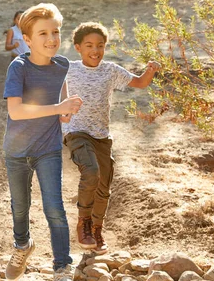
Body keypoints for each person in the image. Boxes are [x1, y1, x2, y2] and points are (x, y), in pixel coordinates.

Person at [2, 3, 83, 281]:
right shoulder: (18, 67)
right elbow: (17, 110)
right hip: (17, 152)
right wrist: (58, 108)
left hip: (48, 148)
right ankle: (22, 246)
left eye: (55, 32)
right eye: (43, 33)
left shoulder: (61, 65)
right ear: (27, 38)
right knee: (20, 208)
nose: (51, 39)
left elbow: (59, 91)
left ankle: (63, 270)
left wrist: (64, 112)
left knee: (54, 208)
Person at [62, 22, 161, 253]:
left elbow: (139, 82)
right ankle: (83, 222)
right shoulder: (69, 68)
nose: (95, 50)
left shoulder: (110, 70)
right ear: (78, 47)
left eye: (100, 45)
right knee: (91, 171)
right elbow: (48, 81)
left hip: (101, 135)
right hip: (76, 131)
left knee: (104, 186)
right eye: (89, 45)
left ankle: (97, 229)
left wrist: (150, 70)